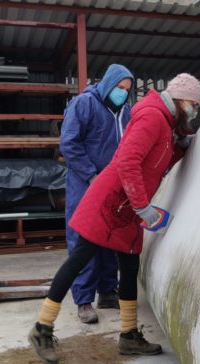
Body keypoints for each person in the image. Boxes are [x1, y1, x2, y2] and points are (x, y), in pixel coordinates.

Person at [30, 73, 200, 364]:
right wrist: (142, 207)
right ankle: (42, 328)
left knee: (129, 265)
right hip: (111, 202)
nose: (194, 110)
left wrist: (178, 149)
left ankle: (128, 335)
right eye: (194, 104)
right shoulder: (152, 117)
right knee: (79, 259)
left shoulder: (165, 121)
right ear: (182, 100)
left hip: (127, 208)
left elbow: (155, 160)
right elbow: (128, 161)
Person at [60, 64, 134, 324]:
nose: (122, 93)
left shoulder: (125, 112)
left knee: (108, 236)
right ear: (108, 84)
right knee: (84, 239)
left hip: (112, 185)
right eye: (119, 88)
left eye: (127, 90)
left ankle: (106, 290)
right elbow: (69, 142)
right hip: (85, 183)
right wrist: (91, 175)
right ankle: (83, 300)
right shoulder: (85, 104)